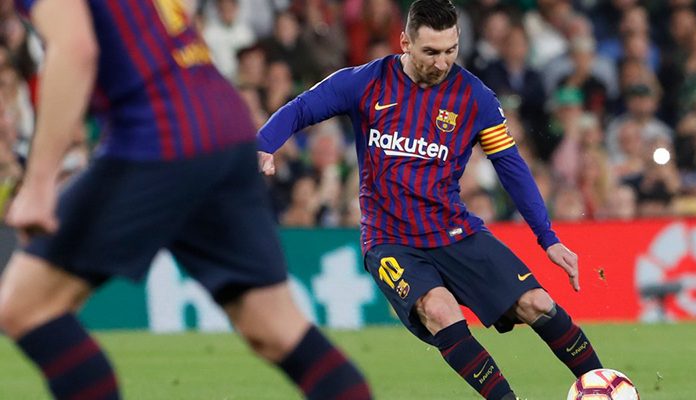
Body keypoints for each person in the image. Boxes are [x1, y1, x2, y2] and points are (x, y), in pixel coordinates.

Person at [0, 1, 371, 400]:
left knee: (28, 306)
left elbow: (75, 48)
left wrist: (39, 185)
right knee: (275, 328)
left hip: (159, 134)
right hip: (222, 124)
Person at [257, 1, 603, 399]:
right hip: (390, 241)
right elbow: (303, 107)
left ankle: (604, 387)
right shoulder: (365, 82)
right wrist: (265, 143)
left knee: (537, 303)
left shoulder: (475, 97)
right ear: (405, 42)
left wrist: (547, 237)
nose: (442, 63)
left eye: (451, 50)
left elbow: (510, 165)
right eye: (431, 52)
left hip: (454, 231)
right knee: (439, 310)